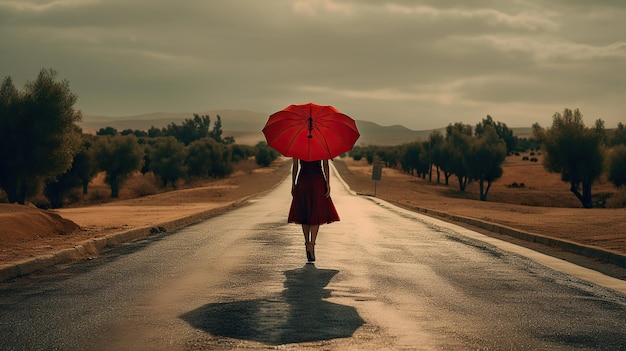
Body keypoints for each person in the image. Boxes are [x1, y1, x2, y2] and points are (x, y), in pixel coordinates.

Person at [288, 158, 340, 263]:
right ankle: (312, 244)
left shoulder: (298, 144)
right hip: (318, 180)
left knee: (304, 212)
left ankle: (307, 242)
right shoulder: (322, 143)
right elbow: (325, 165)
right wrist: (327, 183)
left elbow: (295, 165)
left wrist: (293, 183)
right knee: (316, 212)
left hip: (303, 179)